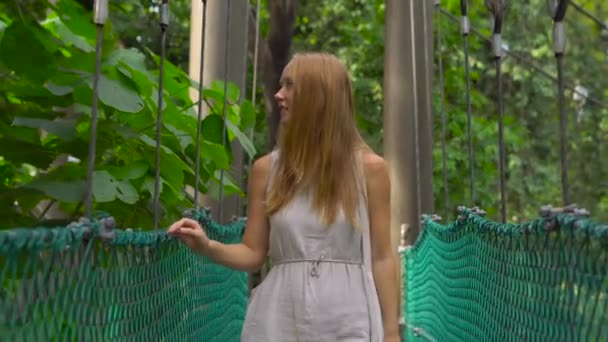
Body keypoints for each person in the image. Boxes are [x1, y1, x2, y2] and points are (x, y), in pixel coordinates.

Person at [168, 52, 400, 342]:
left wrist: (391, 332)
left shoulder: (371, 170)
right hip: (279, 318)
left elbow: (382, 257)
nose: (278, 95)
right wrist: (207, 245)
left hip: (348, 318)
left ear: (319, 95)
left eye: (290, 85)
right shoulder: (266, 170)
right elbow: (253, 253)